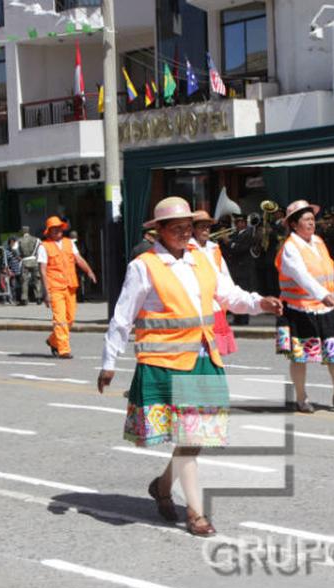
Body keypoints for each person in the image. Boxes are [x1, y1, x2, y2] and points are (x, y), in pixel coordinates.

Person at [97, 197, 282, 536]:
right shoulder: (144, 265)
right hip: (165, 362)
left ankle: (163, 486)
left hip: (202, 358)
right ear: (160, 231)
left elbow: (228, 295)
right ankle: (196, 514)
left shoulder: (203, 258)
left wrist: (260, 303)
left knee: (194, 438)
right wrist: (109, 362)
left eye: (189, 228)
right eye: (178, 229)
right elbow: (122, 318)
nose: (186, 234)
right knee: (188, 436)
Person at [276, 200, 334, 412]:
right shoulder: (290, 247)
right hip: (300, 309)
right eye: (306, 220)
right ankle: (301, 397)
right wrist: (322, 294)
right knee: (300, 356)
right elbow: (301, 276)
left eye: (312, 219)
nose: (311, 223)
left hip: (324, 306)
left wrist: (328, 296)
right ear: (294, 224)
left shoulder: (317, 241)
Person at [38, 216, 96, 359]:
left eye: (59, 228)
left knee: (70, 318)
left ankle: (53, 340)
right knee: (60, 319)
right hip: (55, 287)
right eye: (54, 229)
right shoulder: (44, 246)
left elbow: (78, 259)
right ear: (49, 231)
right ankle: (63, 349)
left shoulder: (69, 243)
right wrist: (46, 292)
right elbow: (43, 271)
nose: (57, 231)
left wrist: (89, 271)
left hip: (70, 286)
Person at [190, 210, 237, 356]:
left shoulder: (214, 249)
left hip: (215, 304)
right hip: (196, 305)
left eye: (208, 227)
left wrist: (229, 300)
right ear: (193, 229)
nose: (206, 230)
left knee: (214, 351)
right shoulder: (187, 249)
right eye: (201, 226)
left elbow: (225, 276)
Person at [226, 214, 258, 325]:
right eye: (237, 222)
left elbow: (240, 248)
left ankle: (243, 319)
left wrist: (228, 242)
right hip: (235, 269)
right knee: (236, 294)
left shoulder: (248, 234)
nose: (238, 224)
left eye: (240, 222)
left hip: (244, 269)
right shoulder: (235, 234)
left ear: (245, 223)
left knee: (244, 294)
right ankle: (237, 318)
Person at [18, 225, 43, 304]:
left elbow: (14, 249)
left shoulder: (19, 240)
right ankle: (38, 297)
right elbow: (40, 248)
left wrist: (20, 256)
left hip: (25, 260)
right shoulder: (36, 239)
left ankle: (24, 298)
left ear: (23, 231)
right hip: (34, 260)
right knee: (37, 280)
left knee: (24, 280)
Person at [5, 237, 22, 304]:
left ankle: (20, 298)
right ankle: (13, 299)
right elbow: (5, 262)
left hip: (19, 270)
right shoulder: (7, 251)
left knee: (20, 285)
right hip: (12, 271)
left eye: (14, 242)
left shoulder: (17, 250)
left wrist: (16, 254)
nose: (13, 244)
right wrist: (8, 270)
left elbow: (20, 258)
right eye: (11, 242)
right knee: (13, 286)